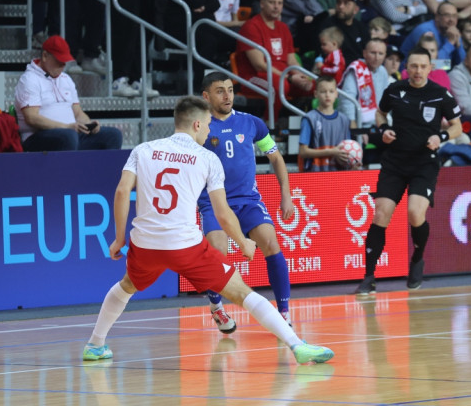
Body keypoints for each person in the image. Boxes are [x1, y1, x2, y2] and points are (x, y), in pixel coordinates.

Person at [81, 96, 334, 364]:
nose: (211, 130)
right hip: (185, 246)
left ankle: (95, 344)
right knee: (243, 293)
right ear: (198, 124)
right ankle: (298, 346)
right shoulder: (207, 158)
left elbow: (122, 191)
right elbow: (223, 214)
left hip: (145, 244)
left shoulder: (143, 149)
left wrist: (119, 238)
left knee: (126, 286)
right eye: (209, 125)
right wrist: (243, 243)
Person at [354, 45, 463, 294]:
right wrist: (384, 130)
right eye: (413, 66)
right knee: (381, 213)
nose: (418, 70)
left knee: (415, 213)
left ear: (430, 68)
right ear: (406, 69)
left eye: (423, 66)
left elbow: (458, 127)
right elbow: (380, 115)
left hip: (424, 162)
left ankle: (417, 259)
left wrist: (442, 136)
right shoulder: (394, 90)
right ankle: (368, 277)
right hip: (395, 161)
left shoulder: (440, 94)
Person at [198, 73, 299, 328]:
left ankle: (284, 313)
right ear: (206, 96)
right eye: (220, 91)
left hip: (248, 200)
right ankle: (217, 306)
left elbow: (276, 158)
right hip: (214, 202)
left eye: (230, 90)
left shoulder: (251, 123)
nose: (227, 96)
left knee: (271, 243)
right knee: (218, 252)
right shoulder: (199, 126)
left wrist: (286, 195)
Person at [14, 35, 123, 151]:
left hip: (69, 135)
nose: (62, 66)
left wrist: (89, 124)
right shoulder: (30, 79)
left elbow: (78, 113)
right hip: (38, 137)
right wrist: (67, 127)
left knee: (113, 135)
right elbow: (32, 118)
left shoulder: (65, 79)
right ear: (45, 56)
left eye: (64, 63)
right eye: (59, 62)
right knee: (68, 137)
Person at [235, 0, 315, 108]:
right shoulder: (251, 27)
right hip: (254, 77)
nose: (276, 7)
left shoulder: (283, 27)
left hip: (284, 76)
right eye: (272, 2)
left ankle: (305, 123)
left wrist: (302, 76)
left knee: (314, 86)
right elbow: (259, 65)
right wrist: (290, 78)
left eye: (280, 3)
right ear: (262, 4)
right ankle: (271, 124)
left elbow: (292, 60)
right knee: (279, 85)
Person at [299, 75, 354, 171]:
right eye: (323, 91)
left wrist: (353, 164)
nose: (327, 95)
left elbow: (347, 150)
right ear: (316, 94)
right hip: (315, 174)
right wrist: (331, 152)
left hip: (338, 174)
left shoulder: (344, 120)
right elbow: (303, 151)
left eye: (331, 91)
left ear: (336, 94)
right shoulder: (309, 118)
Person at [339, 37, 389, 129]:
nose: (377, 57)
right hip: (356, 124)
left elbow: (386, 99)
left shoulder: (383, 71)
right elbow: (347, 100)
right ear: (364, 53)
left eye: (380, 54)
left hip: (376, 123)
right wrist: (354, 126)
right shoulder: (356, 70)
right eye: (373, 53)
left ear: (385, 56)